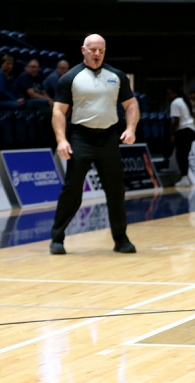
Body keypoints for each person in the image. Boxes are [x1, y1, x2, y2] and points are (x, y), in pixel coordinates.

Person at [49, 33, 140, 255]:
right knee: (72, 189)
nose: (97, 54)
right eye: (93, 50)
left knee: (116, 190)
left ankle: (121, 239)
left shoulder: (117, 76)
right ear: (83, 50)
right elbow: (58, 111)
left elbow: (131, 104)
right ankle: (57, 238)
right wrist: (61, 140)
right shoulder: (70, 77)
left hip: (109, 138)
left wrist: (130, 129)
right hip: (81, 138)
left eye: (101, 50)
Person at [166, 86, 195, 187]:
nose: (168, 96)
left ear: (174, 93)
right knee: (184, 155)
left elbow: (176, 120)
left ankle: (184, 177)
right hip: (191, 129)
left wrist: (173, 133)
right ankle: (185, 177)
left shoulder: (175, 103)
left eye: (169, 93)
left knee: (181, 155)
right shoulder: (183, 101)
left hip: (183, 130)